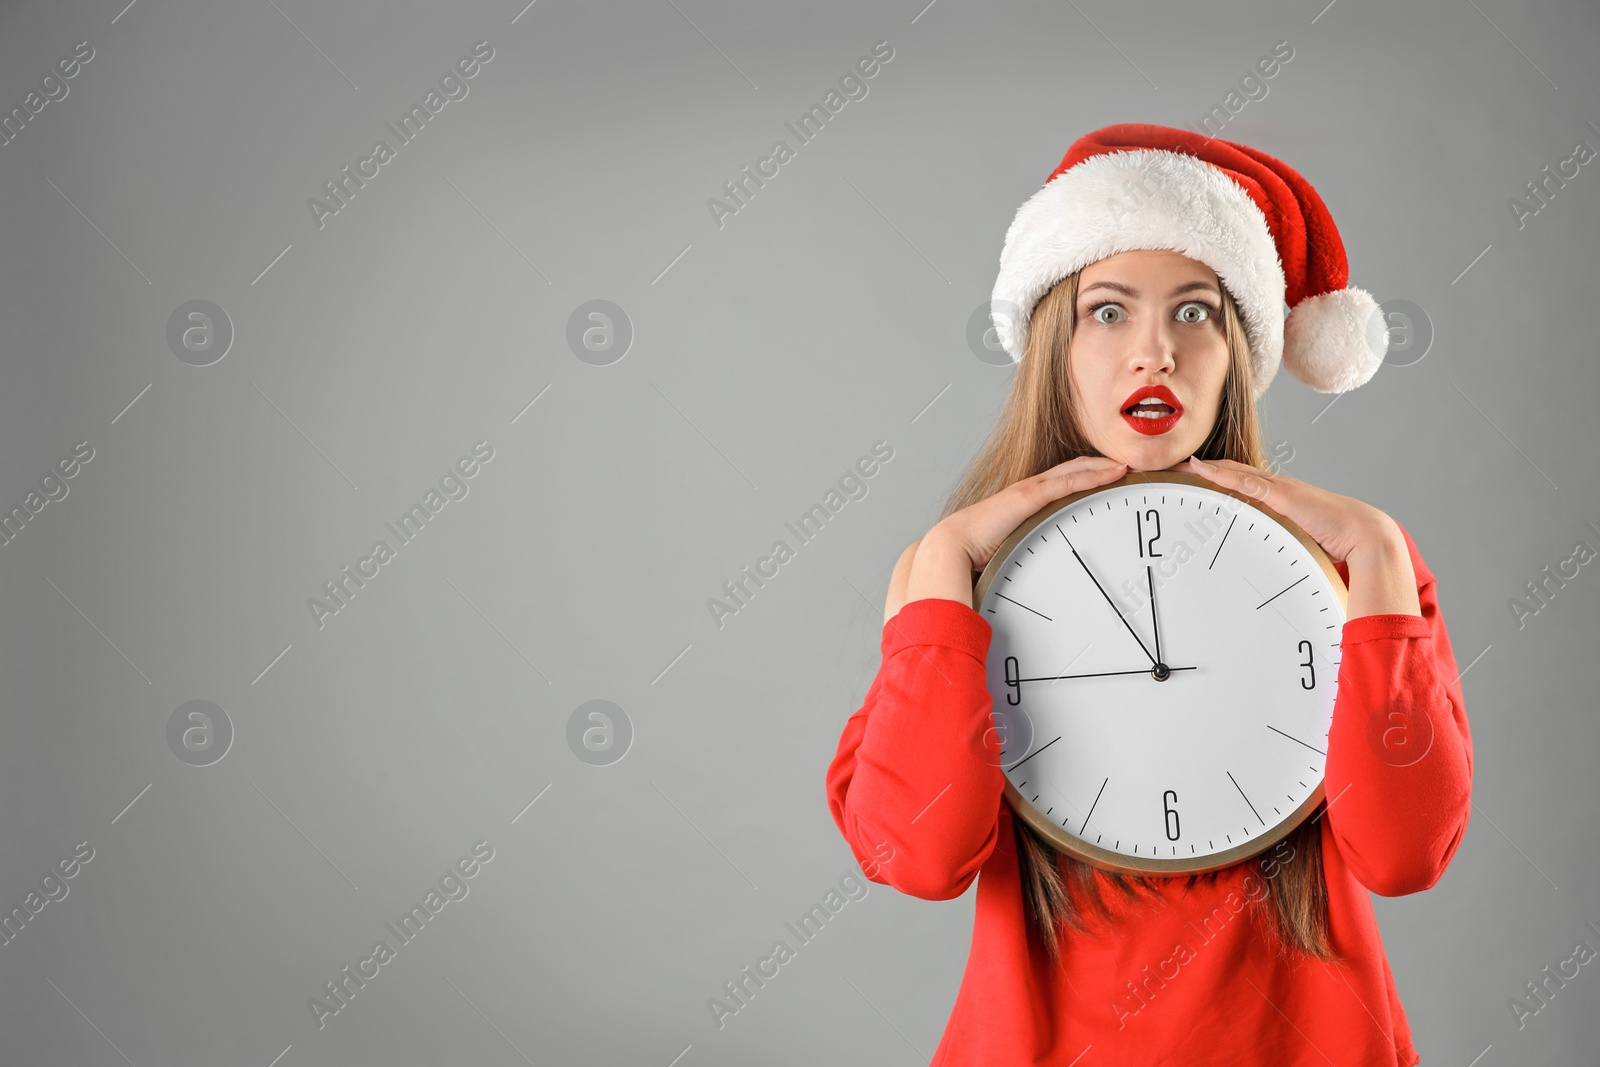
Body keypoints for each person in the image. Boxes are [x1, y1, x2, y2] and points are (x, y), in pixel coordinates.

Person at [824, 124, 1474, 1066]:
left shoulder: (1356, 566)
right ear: (1056, 344)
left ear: (1238, 352)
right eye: (1108, 311)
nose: (1155, 353)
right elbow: (916, 861)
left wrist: (1376, 557)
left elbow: (1403, 857)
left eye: (1196, 314)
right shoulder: (947, 577)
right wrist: (940, 586)